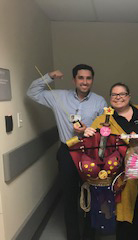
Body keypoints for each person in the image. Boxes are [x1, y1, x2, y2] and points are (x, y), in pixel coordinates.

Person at [27, 64, 107, 240]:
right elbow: (32, 92)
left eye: (88, 78)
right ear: (74, 80)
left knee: (91, 195)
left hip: (89, 152)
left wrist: (90, 129)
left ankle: (89, 235)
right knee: (69, 197)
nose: (84, 82)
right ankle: (73, 236)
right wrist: (49, 76)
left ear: (92, 80)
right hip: (67, 152)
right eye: (81, 78)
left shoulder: (99, 101)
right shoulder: (58, 96)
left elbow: (105, 128)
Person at [84, 82, 138, 240]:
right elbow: (94, 145)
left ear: (129, 96)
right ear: (110, 98)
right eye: (114, 95)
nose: (118, 97)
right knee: (124, 214)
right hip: (122, 176)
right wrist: (88, 132)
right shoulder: (104, 119)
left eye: (122, 94)